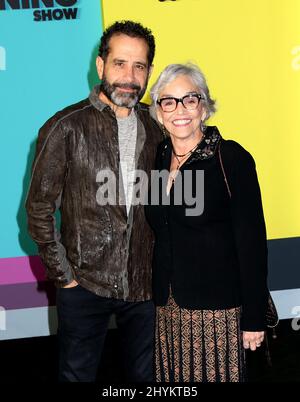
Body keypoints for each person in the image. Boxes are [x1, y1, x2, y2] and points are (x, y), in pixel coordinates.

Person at [25, 20, 162, 382]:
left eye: (139, 66)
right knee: (77, 376)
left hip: (144, 287)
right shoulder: (65, 126)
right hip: (84, 284)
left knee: (145, 380)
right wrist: (65, 277)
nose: (129, 76)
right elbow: (39, 209)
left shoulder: (158, 124)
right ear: (101, 66)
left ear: (149, 72)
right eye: (120, 63)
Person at [145, 63, 269, 382]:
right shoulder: (159, 158)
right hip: (167, 310)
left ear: (204, 106)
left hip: (216, 314)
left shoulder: (229, 158)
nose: (180, 110)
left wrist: (254, 318)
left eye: (190, 99)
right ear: (159, 111)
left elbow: (252, 245)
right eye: (168, 101)